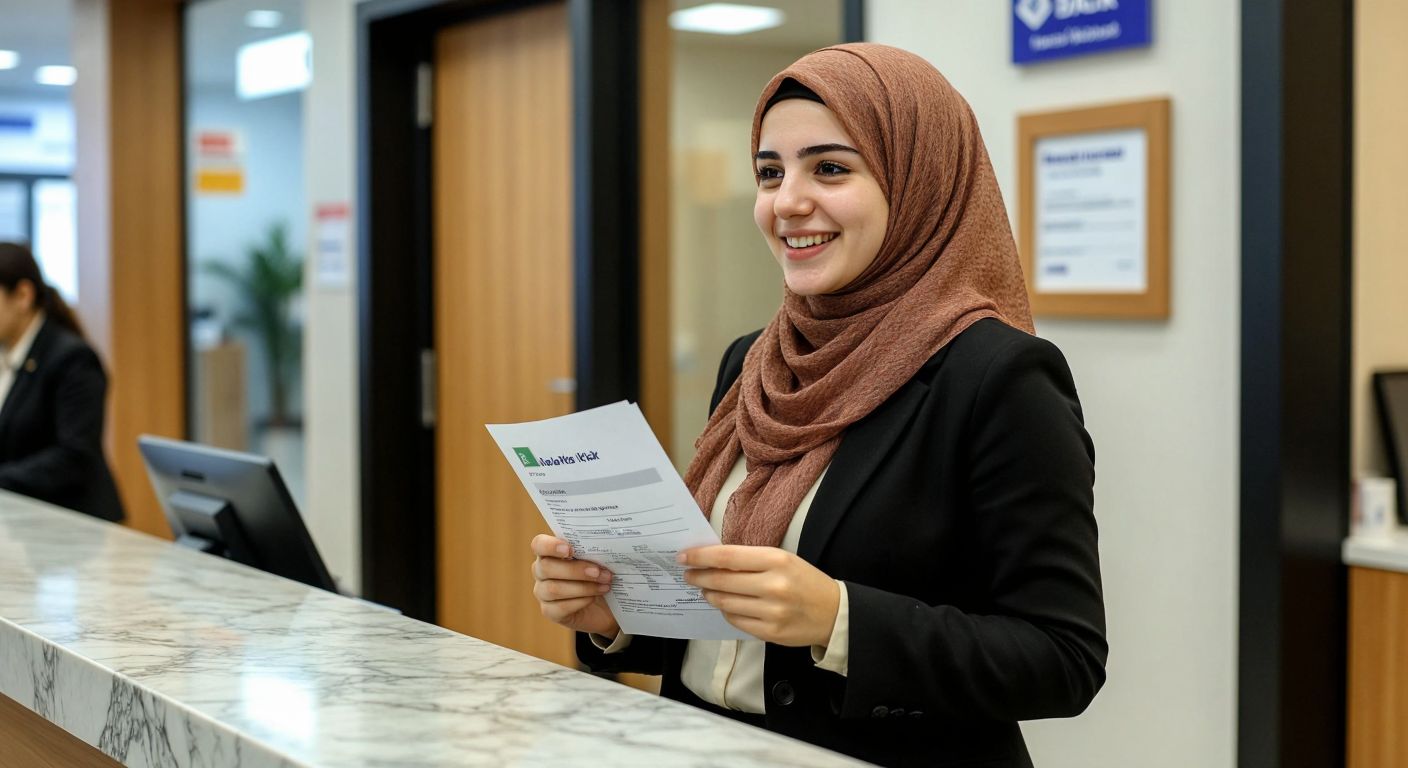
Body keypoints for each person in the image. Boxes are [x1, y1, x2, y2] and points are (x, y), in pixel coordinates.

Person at [529, 44, 1104, 767]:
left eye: (830, 168)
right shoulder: (756, 359)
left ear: (917, 180)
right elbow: (722, 625)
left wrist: (840, 620)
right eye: (770, 172)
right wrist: (613, 616)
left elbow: (1062, 656)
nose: (786, 201)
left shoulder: (998, 376)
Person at [0, 242, 124, 522]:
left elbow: (75, 455)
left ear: (22, 295)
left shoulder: (73, 359)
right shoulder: (7, 352)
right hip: (24, 523)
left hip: (76, 526)